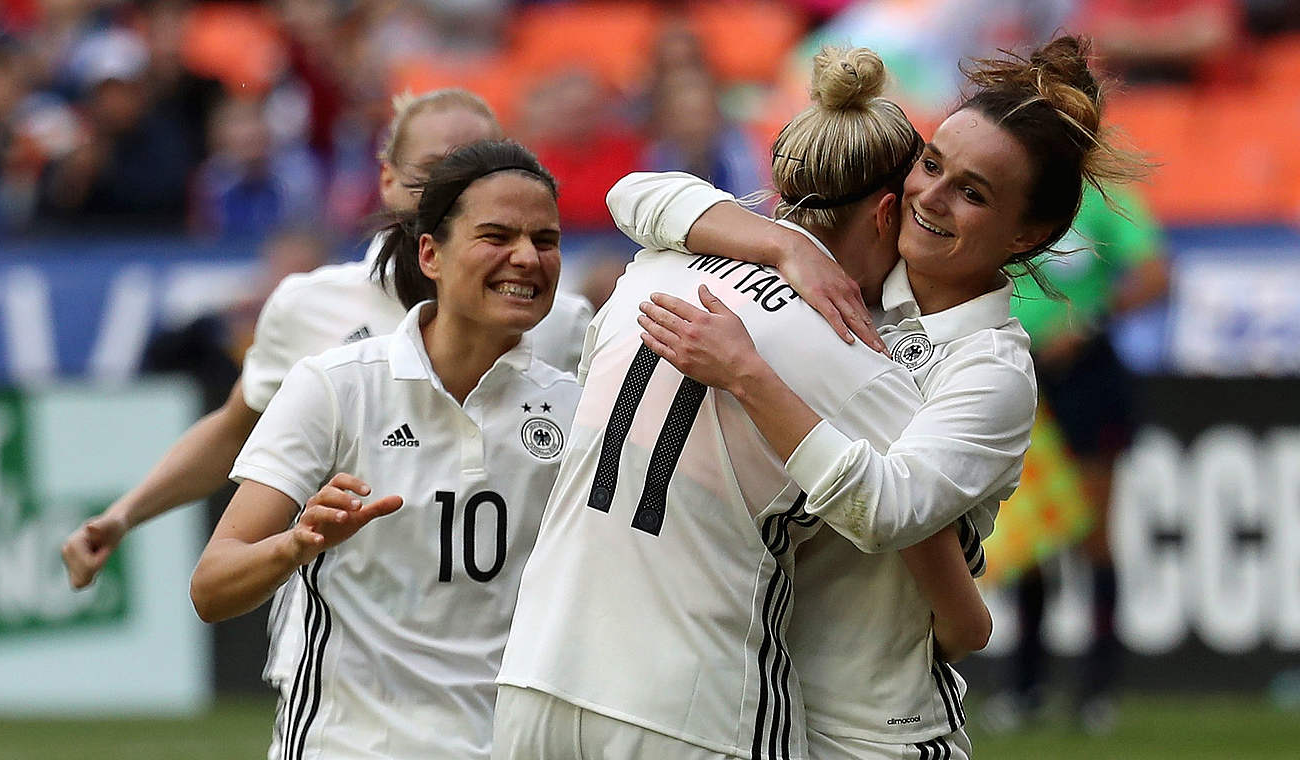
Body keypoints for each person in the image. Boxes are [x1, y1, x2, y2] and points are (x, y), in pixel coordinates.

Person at [607, 36, 1145, 760]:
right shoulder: (852, 277)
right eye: (933, 164)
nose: (932, 197)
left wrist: (750, 375)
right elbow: (635, 194)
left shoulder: (992, 371)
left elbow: (888, 512)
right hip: (760, 705)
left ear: (1029, 234)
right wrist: (783, 247)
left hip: (878, 733)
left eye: (973, 192)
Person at [494, 47, 986, 760]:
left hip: (534, 677)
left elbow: (635, 193)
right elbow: (948, 597)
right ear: (887, 212)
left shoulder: (650, 267)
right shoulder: (863, 366)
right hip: (696, 705)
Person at [60, 88, 592, 702]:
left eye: (478, 167)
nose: (457, 186)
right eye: (435, 172)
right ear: (389, 180)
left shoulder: (559, 322)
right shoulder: (313, 309)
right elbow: (237, 430)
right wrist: (124, 514)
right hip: (348, 668)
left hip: (496, 667)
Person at [191, 139, 582, 760]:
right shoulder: (335, 385)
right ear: (430, 252)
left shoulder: (578, 407)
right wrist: (299, 542)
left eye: (546, 240)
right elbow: (212, 588)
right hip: (349, 746)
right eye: (497, 236)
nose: (527, 258)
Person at [1002, 184, 1170, 732]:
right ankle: (1025, 688)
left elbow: (1156, 275)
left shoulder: (1107, 200)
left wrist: (1089, 321)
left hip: (1087, 379)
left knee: (1093, 534)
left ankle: (1097, 690)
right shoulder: (1013, 184)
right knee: (1026, 537)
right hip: (1018, 376)